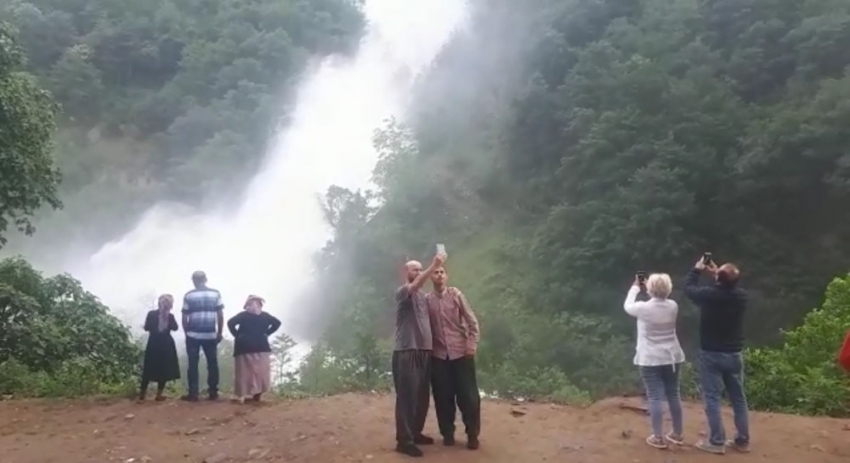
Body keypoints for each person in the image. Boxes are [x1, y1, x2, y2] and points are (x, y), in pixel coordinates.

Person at [684, 257, 749, 454]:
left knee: (712, 398)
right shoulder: (741, 297)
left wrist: (696, 270)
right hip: (734, 354)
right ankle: (742, 441)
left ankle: (716, 441)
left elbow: (689, 289)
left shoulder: (708, 295)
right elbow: (727, 287)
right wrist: (718, 275)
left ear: (718, 280)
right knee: (738, 399)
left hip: (711, 353)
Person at [624, 273, 685, 449]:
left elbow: (627, 305)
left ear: (649, 289)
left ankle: (657, 437)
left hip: (650, 358)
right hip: (672, 356)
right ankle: (677, 433)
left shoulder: (643, 308)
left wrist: (636, 286)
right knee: (673, 394)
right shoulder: (673, 306)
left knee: (655, 396)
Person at [393, 252, 446, 457]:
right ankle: (404, 440)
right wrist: (433, 266)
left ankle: (415, 432)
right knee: (407, 397)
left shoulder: (424, 298)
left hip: (425, 352)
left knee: (422, 396)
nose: (418, 271)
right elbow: (414, 286)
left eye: (419, 268)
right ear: (405, 273)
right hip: (407, 351)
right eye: (414, 269)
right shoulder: (402, 292)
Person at [426, 266, 481, 450]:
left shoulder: (456, 295)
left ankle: (472, 435)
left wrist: (471, 345)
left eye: (442, 272)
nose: (439, 275)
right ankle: (447, 434)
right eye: (436, 272)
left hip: (461, 353)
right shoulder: (427, 300)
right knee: (442, 397)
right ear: (431, 277)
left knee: (469, 397)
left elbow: (472, 321)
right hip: (439, 356)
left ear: (446, 276)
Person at [227, 295, 281, 404]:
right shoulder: (262, 316)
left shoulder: (246, 316)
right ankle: (248, 395)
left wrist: (237, 335)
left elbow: (230, 323)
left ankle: (249, 395)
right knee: (254, 372)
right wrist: (237, 335)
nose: (251, 306)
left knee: (251, 372)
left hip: (247, 347)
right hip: (254, 347)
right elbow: (277, 323)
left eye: (252, 304)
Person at [181, 270, 225, 402]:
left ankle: (193, 393)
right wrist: (219, 333)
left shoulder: (189, 295)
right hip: (210, 334)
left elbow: (184, 317)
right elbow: (220, 315)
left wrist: (186, 333)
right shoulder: (215, 293)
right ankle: (213, 392)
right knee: (212, 363)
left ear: (194, 281)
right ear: (205, 279)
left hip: (193, 335)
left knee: (193, 364)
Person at [139, 294, 181, 401]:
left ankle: (142, 395)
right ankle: (159, 395)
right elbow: (175, 328)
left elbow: (147, 327)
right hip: (166, 344)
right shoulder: (170, 316)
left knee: (148, 368)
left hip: (153, 343)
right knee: (164, 369)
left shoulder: (151, 314)